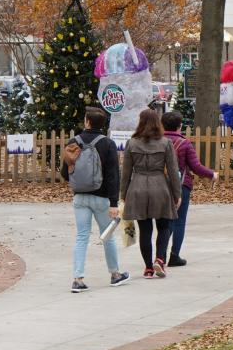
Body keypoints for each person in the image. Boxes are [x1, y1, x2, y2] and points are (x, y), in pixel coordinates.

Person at [60, 106, 129, 293]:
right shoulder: (107, 144)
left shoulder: (74, 142)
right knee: (108, 237)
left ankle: (78, 279)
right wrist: (114, 203)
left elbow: (65, 173)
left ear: (87, 122)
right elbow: (113, 175)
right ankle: (115, 275)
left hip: (80, 197)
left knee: (82, 237)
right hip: (102, 198)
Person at [121, 108, 182, 278]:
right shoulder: (165, 143)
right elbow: (172, 170)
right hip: (160, 187)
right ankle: (160, 259)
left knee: (145, 230)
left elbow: (125, 172)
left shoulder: (131, 143)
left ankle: (148, 268)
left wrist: (123, 194)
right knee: (164, 226)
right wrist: (177, 194)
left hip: (137, 187)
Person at [161, 111, 216, 267]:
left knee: (164, 221)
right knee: (179, 221)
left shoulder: (157, 141)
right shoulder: (184, 143)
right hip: (181, 185)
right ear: (180, 126)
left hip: (159, 185)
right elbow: (196, 167)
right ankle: (174, 255)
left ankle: (160, 255)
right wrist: (212, 174)